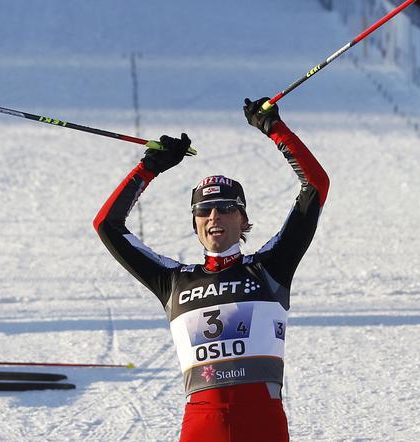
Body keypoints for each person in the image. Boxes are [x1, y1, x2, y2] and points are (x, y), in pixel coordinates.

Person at [93, 97, 329, 441]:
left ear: (243, 219)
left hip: (262, 422)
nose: (214, 216)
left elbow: (315, 186)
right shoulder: (173, 280)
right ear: (195, 224)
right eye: (204, 211)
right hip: (202, 424)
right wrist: (148, 168)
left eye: (225, 208)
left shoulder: (270, 267)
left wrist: (275, 130)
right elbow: (107, 225)